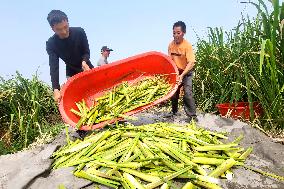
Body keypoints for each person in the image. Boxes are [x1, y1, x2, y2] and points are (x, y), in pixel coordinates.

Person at [46, 10, 94, 104]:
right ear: (53, 29)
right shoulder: (51, 44)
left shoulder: (79, 32)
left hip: (87, 67)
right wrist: (56, 89)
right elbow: (54, 67)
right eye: (59, 29)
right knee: (80, 99)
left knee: (96, 90)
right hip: (71, 73)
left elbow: (86, 52)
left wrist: (84, 61)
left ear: (68, 21)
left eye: (65, 27)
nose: (63, 32)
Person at [168, 21, 197, 122]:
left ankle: (192, 116)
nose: (176, 35)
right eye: (174, 33)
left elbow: (191, 63)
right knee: (174, 93)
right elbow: (170, 60)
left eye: (178, 33)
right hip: (176, 72)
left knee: (188, 93)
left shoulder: (187, 46)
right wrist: (175, 75)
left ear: (184, 33)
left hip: (186, 72)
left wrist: (182, 75)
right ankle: (174, 112)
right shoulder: (170, 45)